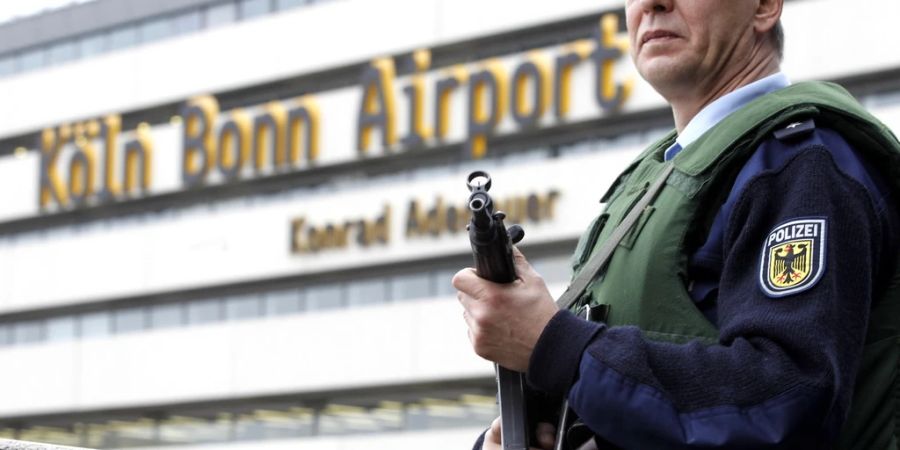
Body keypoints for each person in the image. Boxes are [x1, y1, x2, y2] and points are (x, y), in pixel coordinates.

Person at [453, 0, 900, 448]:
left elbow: (783, 401)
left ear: (764, 7)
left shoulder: (800, 163)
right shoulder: (658, 177)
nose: (651, 4)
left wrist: (556, 346)